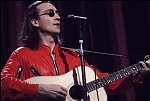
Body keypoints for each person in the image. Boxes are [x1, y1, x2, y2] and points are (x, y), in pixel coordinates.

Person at [1, 1, 150, 101]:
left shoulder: (72, 57)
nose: (58, 17)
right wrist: (39, 89)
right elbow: (4, 83)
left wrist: (137, 73)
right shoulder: (22, 54)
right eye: (50, 14)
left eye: (58, 13)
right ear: (34, 22)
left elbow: (105, 82)